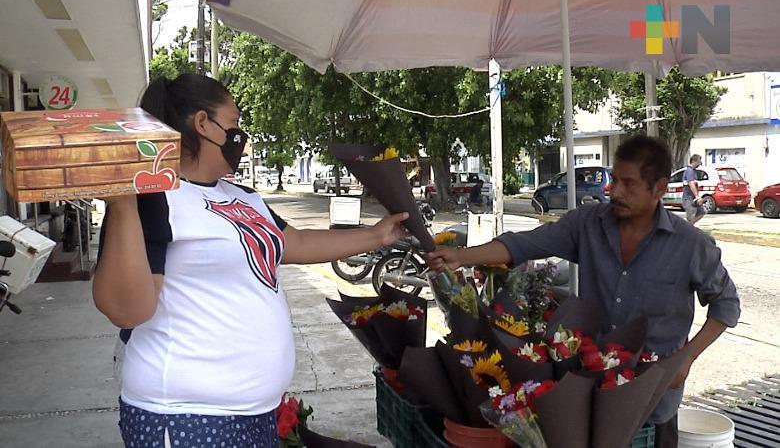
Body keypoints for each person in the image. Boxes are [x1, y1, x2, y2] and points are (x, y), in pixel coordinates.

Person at [93, 74, 409, 448]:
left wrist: (377, 235)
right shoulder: (155, 199)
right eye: (235, 123)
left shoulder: (243, 197)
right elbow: (126, 309)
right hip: (186, 418)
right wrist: (122, 200)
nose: (241, 136)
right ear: (202, 124)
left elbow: (296, 242)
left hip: (254, 415)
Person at [426, 135, 740, 448]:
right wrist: (461, 256)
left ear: (658, 188)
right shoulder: (588, 224)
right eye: (614, 180)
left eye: (628, 184)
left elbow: (726, 305)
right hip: (587, 395)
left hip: (653, 402)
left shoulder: (690, 245)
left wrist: (686, 357)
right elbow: (524, 244)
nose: (615, 191)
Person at [683, 154, 706, 225]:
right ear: (693, 161)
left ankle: (689, 227)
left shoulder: (693, 171)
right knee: (691, 217)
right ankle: (687, 229)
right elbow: (691, 184)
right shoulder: (689, 171)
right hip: (689, 198)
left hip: (694, 198)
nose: (699, 164)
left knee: (701, 212)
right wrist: (697, 196)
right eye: (698, 162)